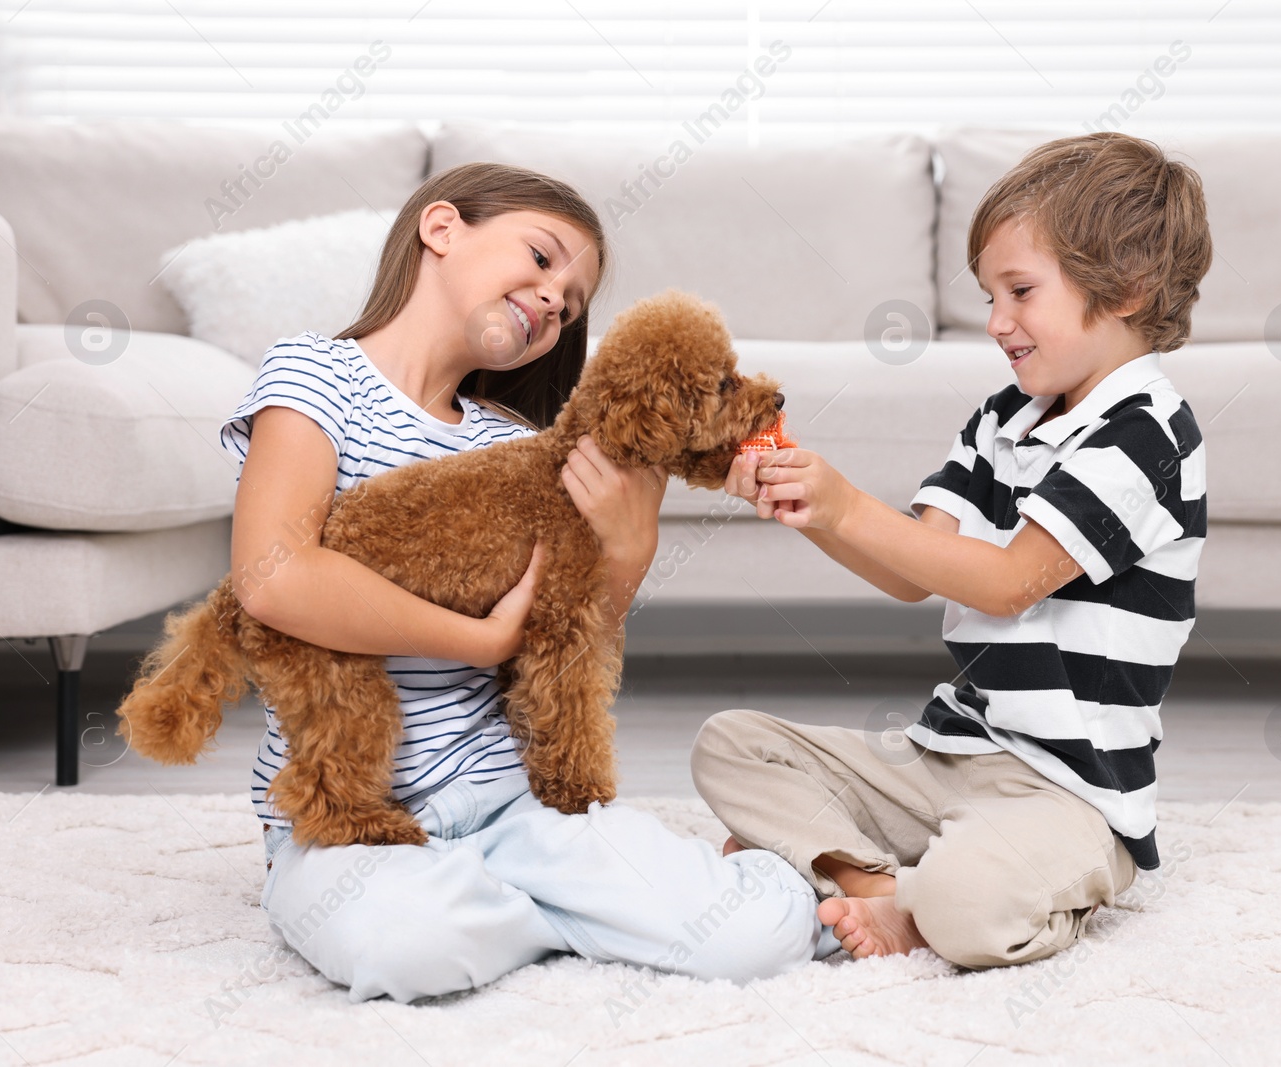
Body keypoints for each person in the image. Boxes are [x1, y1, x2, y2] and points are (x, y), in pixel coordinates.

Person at [219, 161, 830, 1003]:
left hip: (511, 799)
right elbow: (272, 576)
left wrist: (635, 541)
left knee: (762, 932)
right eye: (541, 259)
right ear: (441, 229)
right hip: (353, 824)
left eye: (572, 302)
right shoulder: (317, 377)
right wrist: (474, 639)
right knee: (404, 948)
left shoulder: (514, 440)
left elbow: (571, 631)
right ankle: (578, 913)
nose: (554, 298)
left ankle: (538, 901)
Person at [691, 132, 1213, 968]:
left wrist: (846, 501)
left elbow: (1009, 583)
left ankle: (897, 887)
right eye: (989, 294)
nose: (996, 322)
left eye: (1020, 291)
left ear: (1126, 288)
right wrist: (813, 507)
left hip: (1072, 793)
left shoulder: (1145, 434)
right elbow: (911, 569)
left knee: (968, 904)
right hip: (952, 756)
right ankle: (873, 883)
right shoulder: (1004, 416)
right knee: (731, 742)